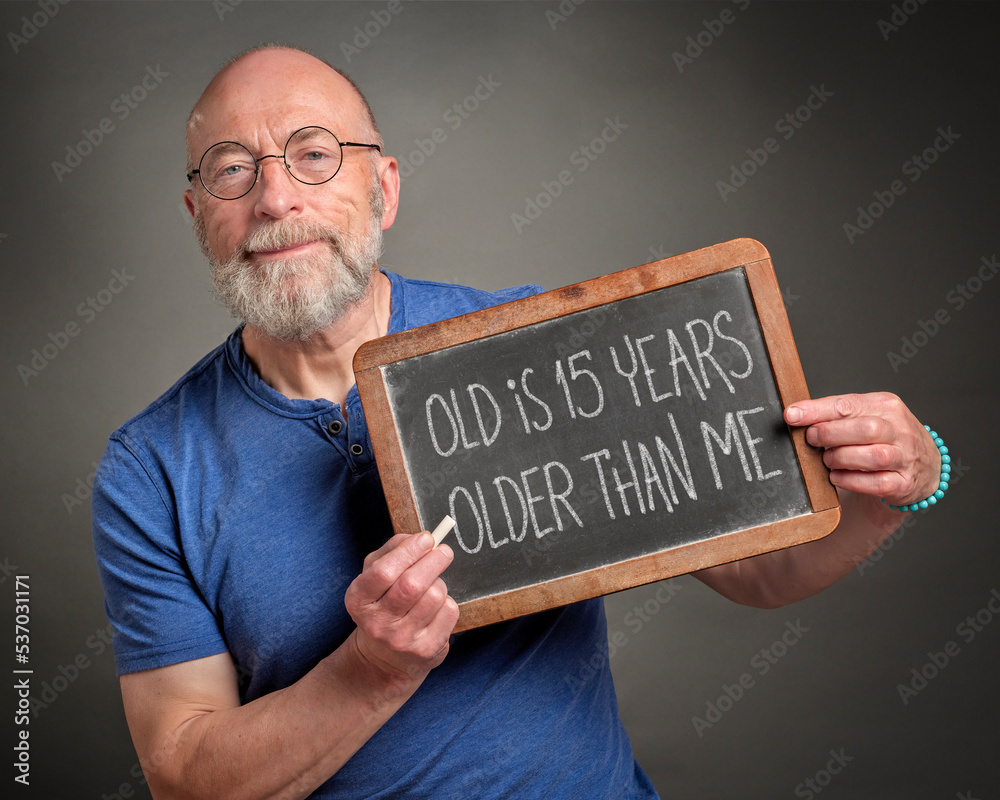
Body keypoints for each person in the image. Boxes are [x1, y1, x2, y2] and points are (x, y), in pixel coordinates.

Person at [92, 45, 944, 800]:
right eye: (233, 170)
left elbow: (756, 571)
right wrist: (372, 669)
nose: (276, 198)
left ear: (382, 188)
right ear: (198, 213)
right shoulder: (149, 469)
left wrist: (897, 484)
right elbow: (187, 774)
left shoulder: (536, 344)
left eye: (314, 154)